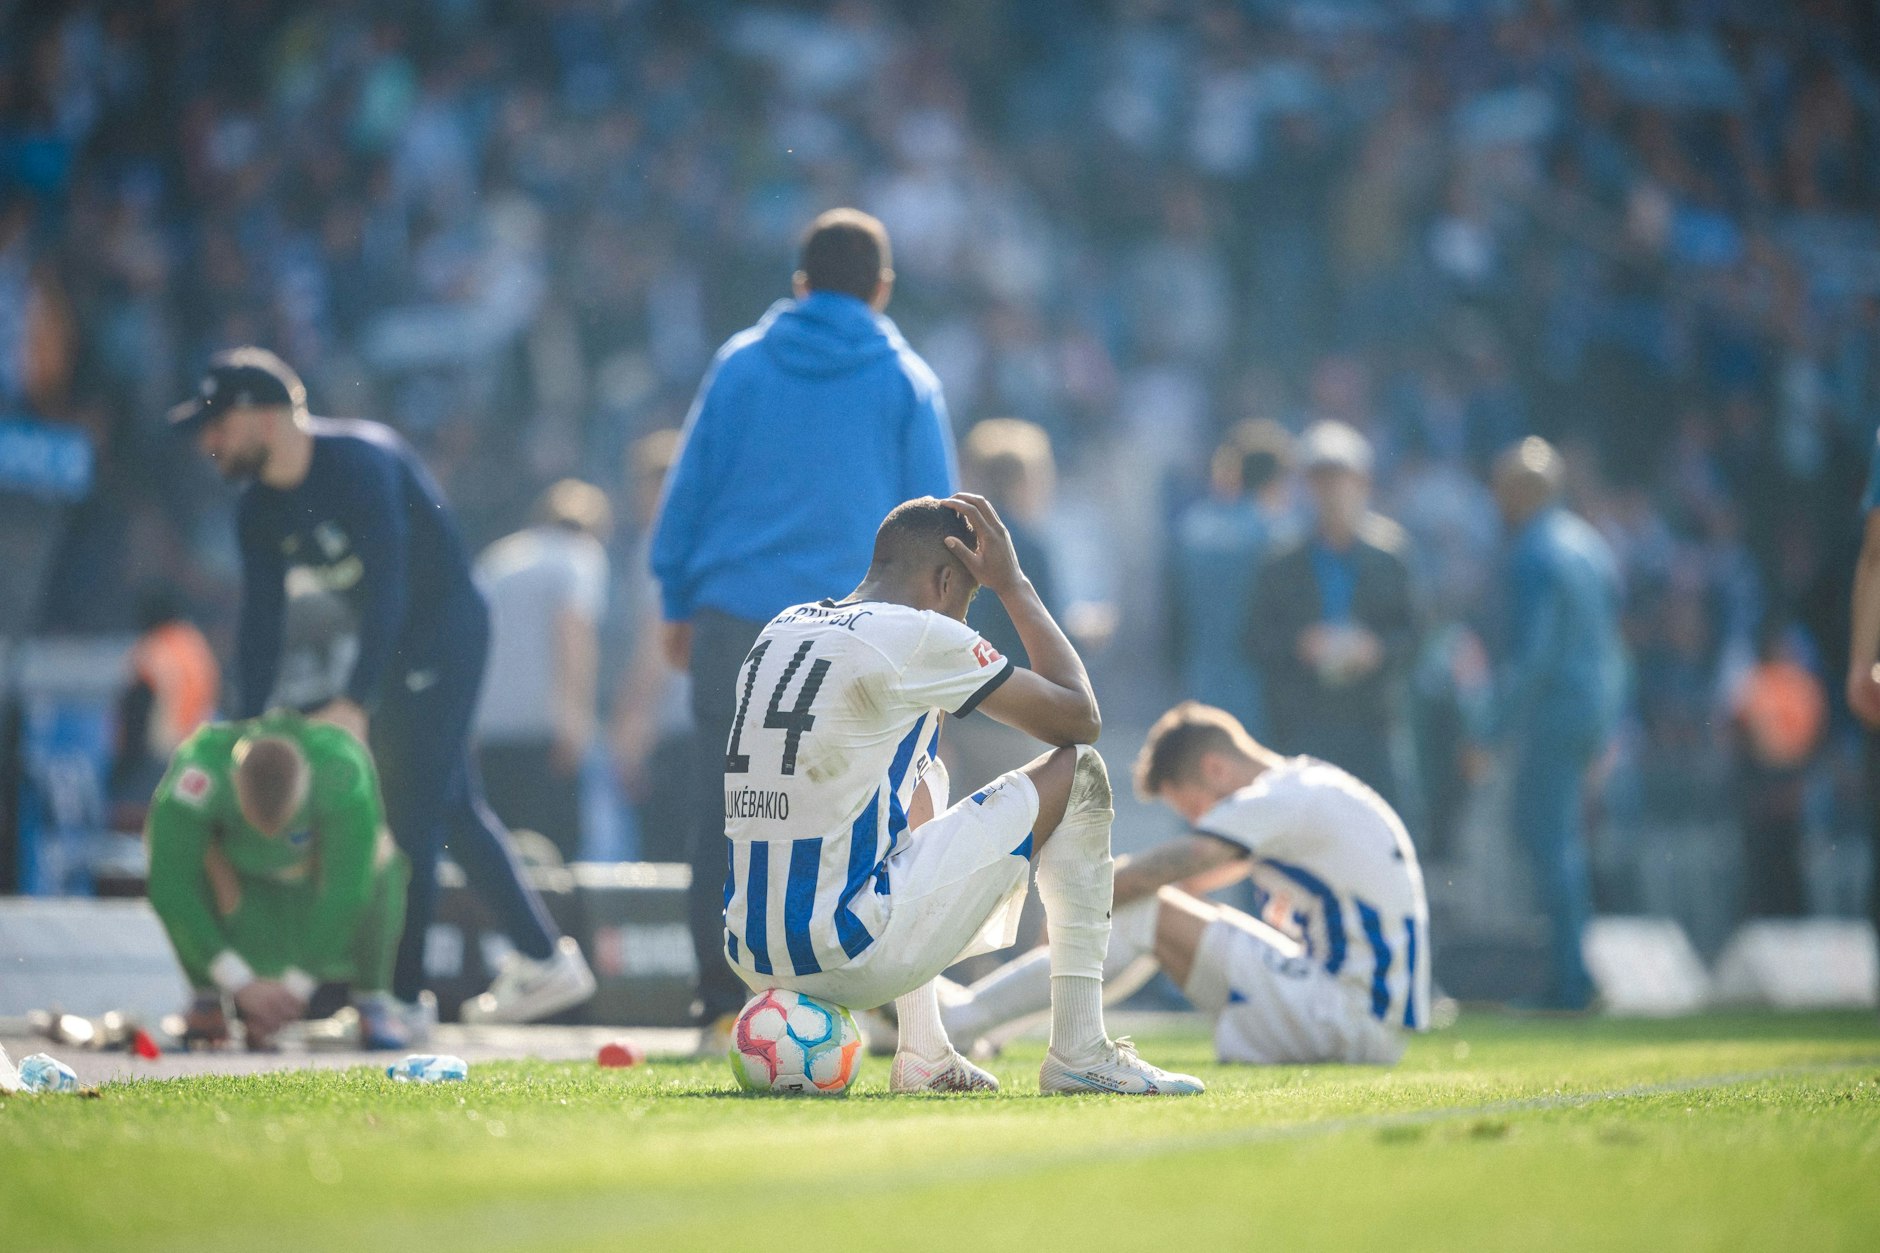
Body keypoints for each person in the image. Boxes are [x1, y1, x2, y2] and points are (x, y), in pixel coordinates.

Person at [169, 347, 594, 1025]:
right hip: (394, 650)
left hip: (447, 633)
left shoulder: (362, 462)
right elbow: (260, 624)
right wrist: (246, 726)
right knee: (451, 804)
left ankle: (398, 997)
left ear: (267, 417)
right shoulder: (257, 510)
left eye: (220, 423)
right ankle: (544, 958)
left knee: (411, 812)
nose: (209, 441)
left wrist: (354, 698)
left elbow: (392, 586)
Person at [723, 494, 1202, 1095]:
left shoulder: (782, 626)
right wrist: (1014, 584)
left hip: (751, 952)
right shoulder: (914, 633)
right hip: (843, 952)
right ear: (946, 581)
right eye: (969, 600)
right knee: (1080, 772)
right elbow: (1079, 717)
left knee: (926, 772)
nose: (966, 619)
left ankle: (925, 1050)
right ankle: (1081, 1050)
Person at [651, 209, 957, 1038]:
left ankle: (723, 1002)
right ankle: (873, 992)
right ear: (882, 288)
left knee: (727, 804)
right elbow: (938, 525)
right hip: (860, 636)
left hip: (736, 619)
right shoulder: (906, 380)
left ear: (799, 282)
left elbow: (688, 490)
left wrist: (675, 599)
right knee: (870, 805)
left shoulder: (740, 365)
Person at [941, 701, 1428, 1065]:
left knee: (1145, 908)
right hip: (1362, 1015)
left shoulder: (1274, 800)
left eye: (1196, 810)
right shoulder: (1306, 785)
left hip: (1346, 1016)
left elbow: (1173, 869)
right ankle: (982, 1026)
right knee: (1144, 907)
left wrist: (1072, 906)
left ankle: (962, 1019)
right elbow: (1195, 881)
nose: (1199, 824)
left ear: (1215, 769)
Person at [145, 711, 412, 1050]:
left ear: (309, 779)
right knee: (174, 853)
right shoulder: (198, 774)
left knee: (381, 855)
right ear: (232, 779)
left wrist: (297, 986)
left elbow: (347, 891)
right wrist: (237, 981)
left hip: (308, 908)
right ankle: (208, 1000)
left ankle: (372, 999)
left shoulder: (341, 771)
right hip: (240, 903)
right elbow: (170, 886)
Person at [1491, 437, 1625, 1011]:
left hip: (1553, 712)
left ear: (1519, 492)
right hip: (1591, 710)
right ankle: (1572, 971)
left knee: (1545, 837)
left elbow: (1535, 654)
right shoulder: (1590, 545)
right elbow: (1613, 644)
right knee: (1560, 838)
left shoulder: (1533, 553)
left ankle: (1569, 979)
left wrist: (1492, 728)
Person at [1245, 420, 1416, 808]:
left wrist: (1377, 649)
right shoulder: (1280, 562)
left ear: (1363, 484)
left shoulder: (1389, 557)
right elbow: (1254, 638)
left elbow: (1414, 634)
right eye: (1320, 481)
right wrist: (1299, 645)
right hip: (1304, 725)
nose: (1332, 493)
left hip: (1372, 724)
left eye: (1341, 480)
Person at [474, 479, 612, 863]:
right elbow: (573, 634)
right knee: (557, 855)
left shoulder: (498, 558)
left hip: (490, 730)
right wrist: (576, 722)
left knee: (504, 850)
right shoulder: (578, 556)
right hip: (547, 732)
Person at [1171, 420, 1292, 736]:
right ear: (1275, 481)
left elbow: (1175, 615)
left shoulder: (1193, 528)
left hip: (1201, 682)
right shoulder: (1278, 538)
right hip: (1261, 693)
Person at [1729, 624, 1824, 919]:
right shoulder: (1756, 682)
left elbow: (1811, 737)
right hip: (1762, 782)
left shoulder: (1802, 685)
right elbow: (1742, 732)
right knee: (1763, 865)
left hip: (1790, 781)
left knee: (1790, 863)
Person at [107, 584, 220, 816]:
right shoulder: (195, 644)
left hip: (154, 757)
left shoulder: (154, 648)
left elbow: (140, 705)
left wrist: (128, 760)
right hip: (191, 753)